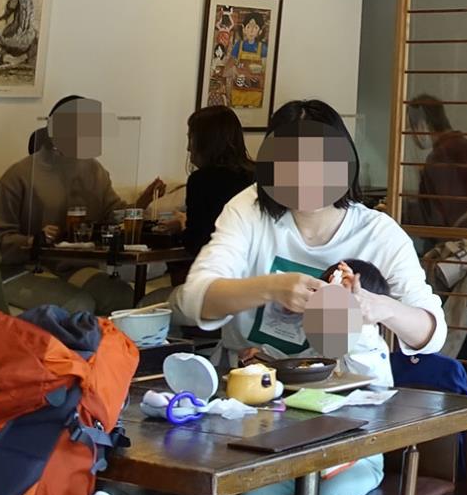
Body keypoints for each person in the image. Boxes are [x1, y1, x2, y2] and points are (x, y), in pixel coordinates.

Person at [180, 99, 444, 386]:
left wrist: (381, 307)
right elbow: (195, 299)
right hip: (249, 383)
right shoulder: (250, 208)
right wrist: (271, 288)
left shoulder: (377, 233)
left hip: (341, 390)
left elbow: (432, 334)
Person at [225, 256, 400, 495]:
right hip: (305, 457)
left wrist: (354, 312)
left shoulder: (372, 349)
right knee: (256, 490)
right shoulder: (315, 347)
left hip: (359, 460)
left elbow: (363, 356)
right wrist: (261, 358)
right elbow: (295, 367)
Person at [0, 94, 166, 312]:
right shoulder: (19, 176)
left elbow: (113, 215)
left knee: (123, 298)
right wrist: (33, 240)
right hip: (23, 269)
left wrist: (143, 202)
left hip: (74, 267)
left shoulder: (94, 170)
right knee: (78, 304)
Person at [404, 95, 467, 232]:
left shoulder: (439, 157)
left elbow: (436, 218)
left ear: (422, 125)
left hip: (450, 239)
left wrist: (397, 210)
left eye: (410, 129)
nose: (412, 137)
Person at [183, 105, 258, 256]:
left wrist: (181, 226)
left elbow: (197, 243)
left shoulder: (200, 181)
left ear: (205, 142)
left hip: (223, 263)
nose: (188, 148)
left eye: (191, 138)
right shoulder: (259, 174)